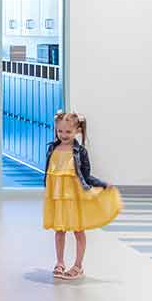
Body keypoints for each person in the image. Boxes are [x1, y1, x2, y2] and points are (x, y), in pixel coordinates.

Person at [40, 109, 119, 280]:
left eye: (68, 131)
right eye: (60, 131)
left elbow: (87, 175)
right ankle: (60, 262)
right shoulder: (52, 148)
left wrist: (103, 184)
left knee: (78, 231)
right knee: (59, 230)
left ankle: (78, 265)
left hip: (75, 198)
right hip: (59, 199)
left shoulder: (80, 152)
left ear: (77, 131)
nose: (63, 134)